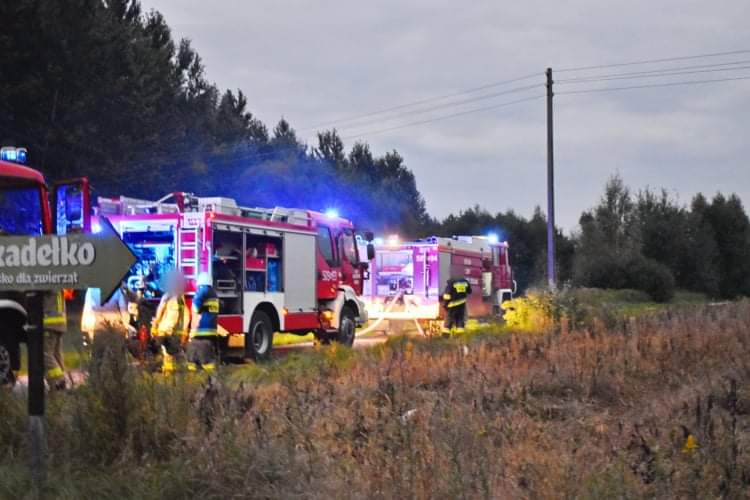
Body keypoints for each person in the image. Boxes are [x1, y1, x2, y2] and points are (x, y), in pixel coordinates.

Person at [151, 270, 190, 373]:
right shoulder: (174, 298)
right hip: (167, 331)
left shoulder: (174, 298)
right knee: (168, 355)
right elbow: (185, 317)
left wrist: (155, 326)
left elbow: (184, 315)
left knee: (169, 356)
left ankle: (168, 375)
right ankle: (167, 374)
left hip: (167, 331)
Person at [187, 272, 220, 373]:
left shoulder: (202, 291)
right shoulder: (214, 294)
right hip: (212, 331)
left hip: (201, 331)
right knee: (208, 360)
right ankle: (211, 381)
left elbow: (195, 309)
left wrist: (191, 330)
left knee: (193, 361)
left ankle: (195, 382)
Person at [43, 291, 68, 390]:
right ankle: (59, 390)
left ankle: (58, 382)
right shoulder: (57, 277)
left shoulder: (48, 278)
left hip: (49, 323)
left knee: (45, 355)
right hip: (58, 323)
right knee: (56, 356)